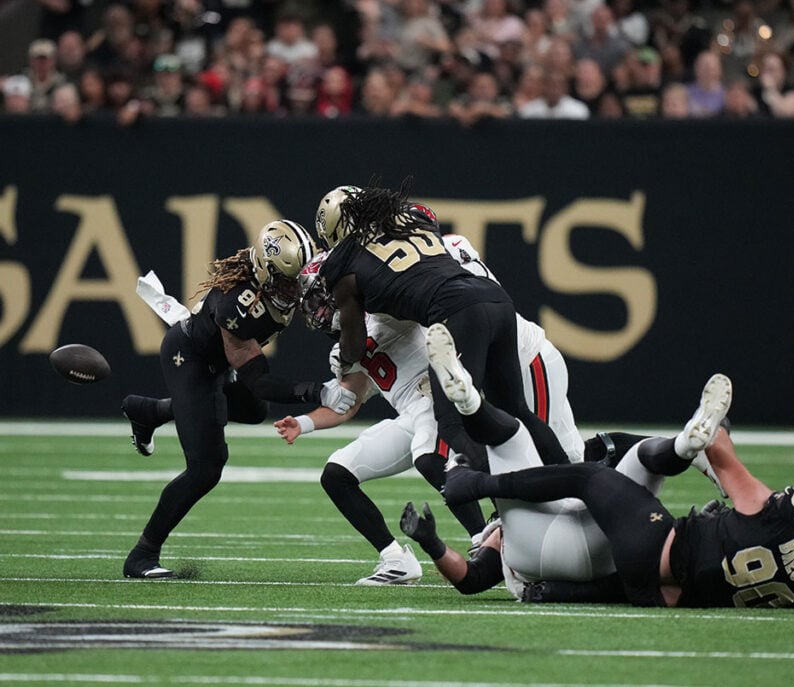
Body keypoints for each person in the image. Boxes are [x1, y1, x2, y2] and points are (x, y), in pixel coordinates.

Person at [428, 340, 794, 608]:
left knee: (573, 468)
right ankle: (682, 447)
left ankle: (468, 402)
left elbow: (474, 578)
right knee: (629, 459)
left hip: (611, 546)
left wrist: (473, 489)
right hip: (636, 576)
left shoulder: (784, 515)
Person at [275, 210, 585, 584]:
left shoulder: (384, 307)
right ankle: (396, 559)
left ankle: (487, 534)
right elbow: (350, 399)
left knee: (432, 455)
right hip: (411, 412)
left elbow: (424, 282)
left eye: (320, 300)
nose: (318, 312)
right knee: (336, 473)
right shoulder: (344, 346)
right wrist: (304, 423)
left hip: (435, 396)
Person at [120, 220, 356, 579]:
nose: (296, 289)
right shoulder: (237, 306)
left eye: (298, 279)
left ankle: (150, 411)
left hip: (218, 363)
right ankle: (142, 555)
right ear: (265, 273)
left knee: (252, 410)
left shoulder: (282, 281)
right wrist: (317, 391)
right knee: (206, 468)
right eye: (287, 281)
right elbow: (259, 381)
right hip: (192, 359)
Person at [316, 182, 571, 470]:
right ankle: (576, 478)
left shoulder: (344, 270)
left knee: (451, 425)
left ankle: (500, 489)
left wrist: (344, 358)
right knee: (517, 410)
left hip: (459, 314)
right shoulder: (413, 218)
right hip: (495, 298)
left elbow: (355, 346)